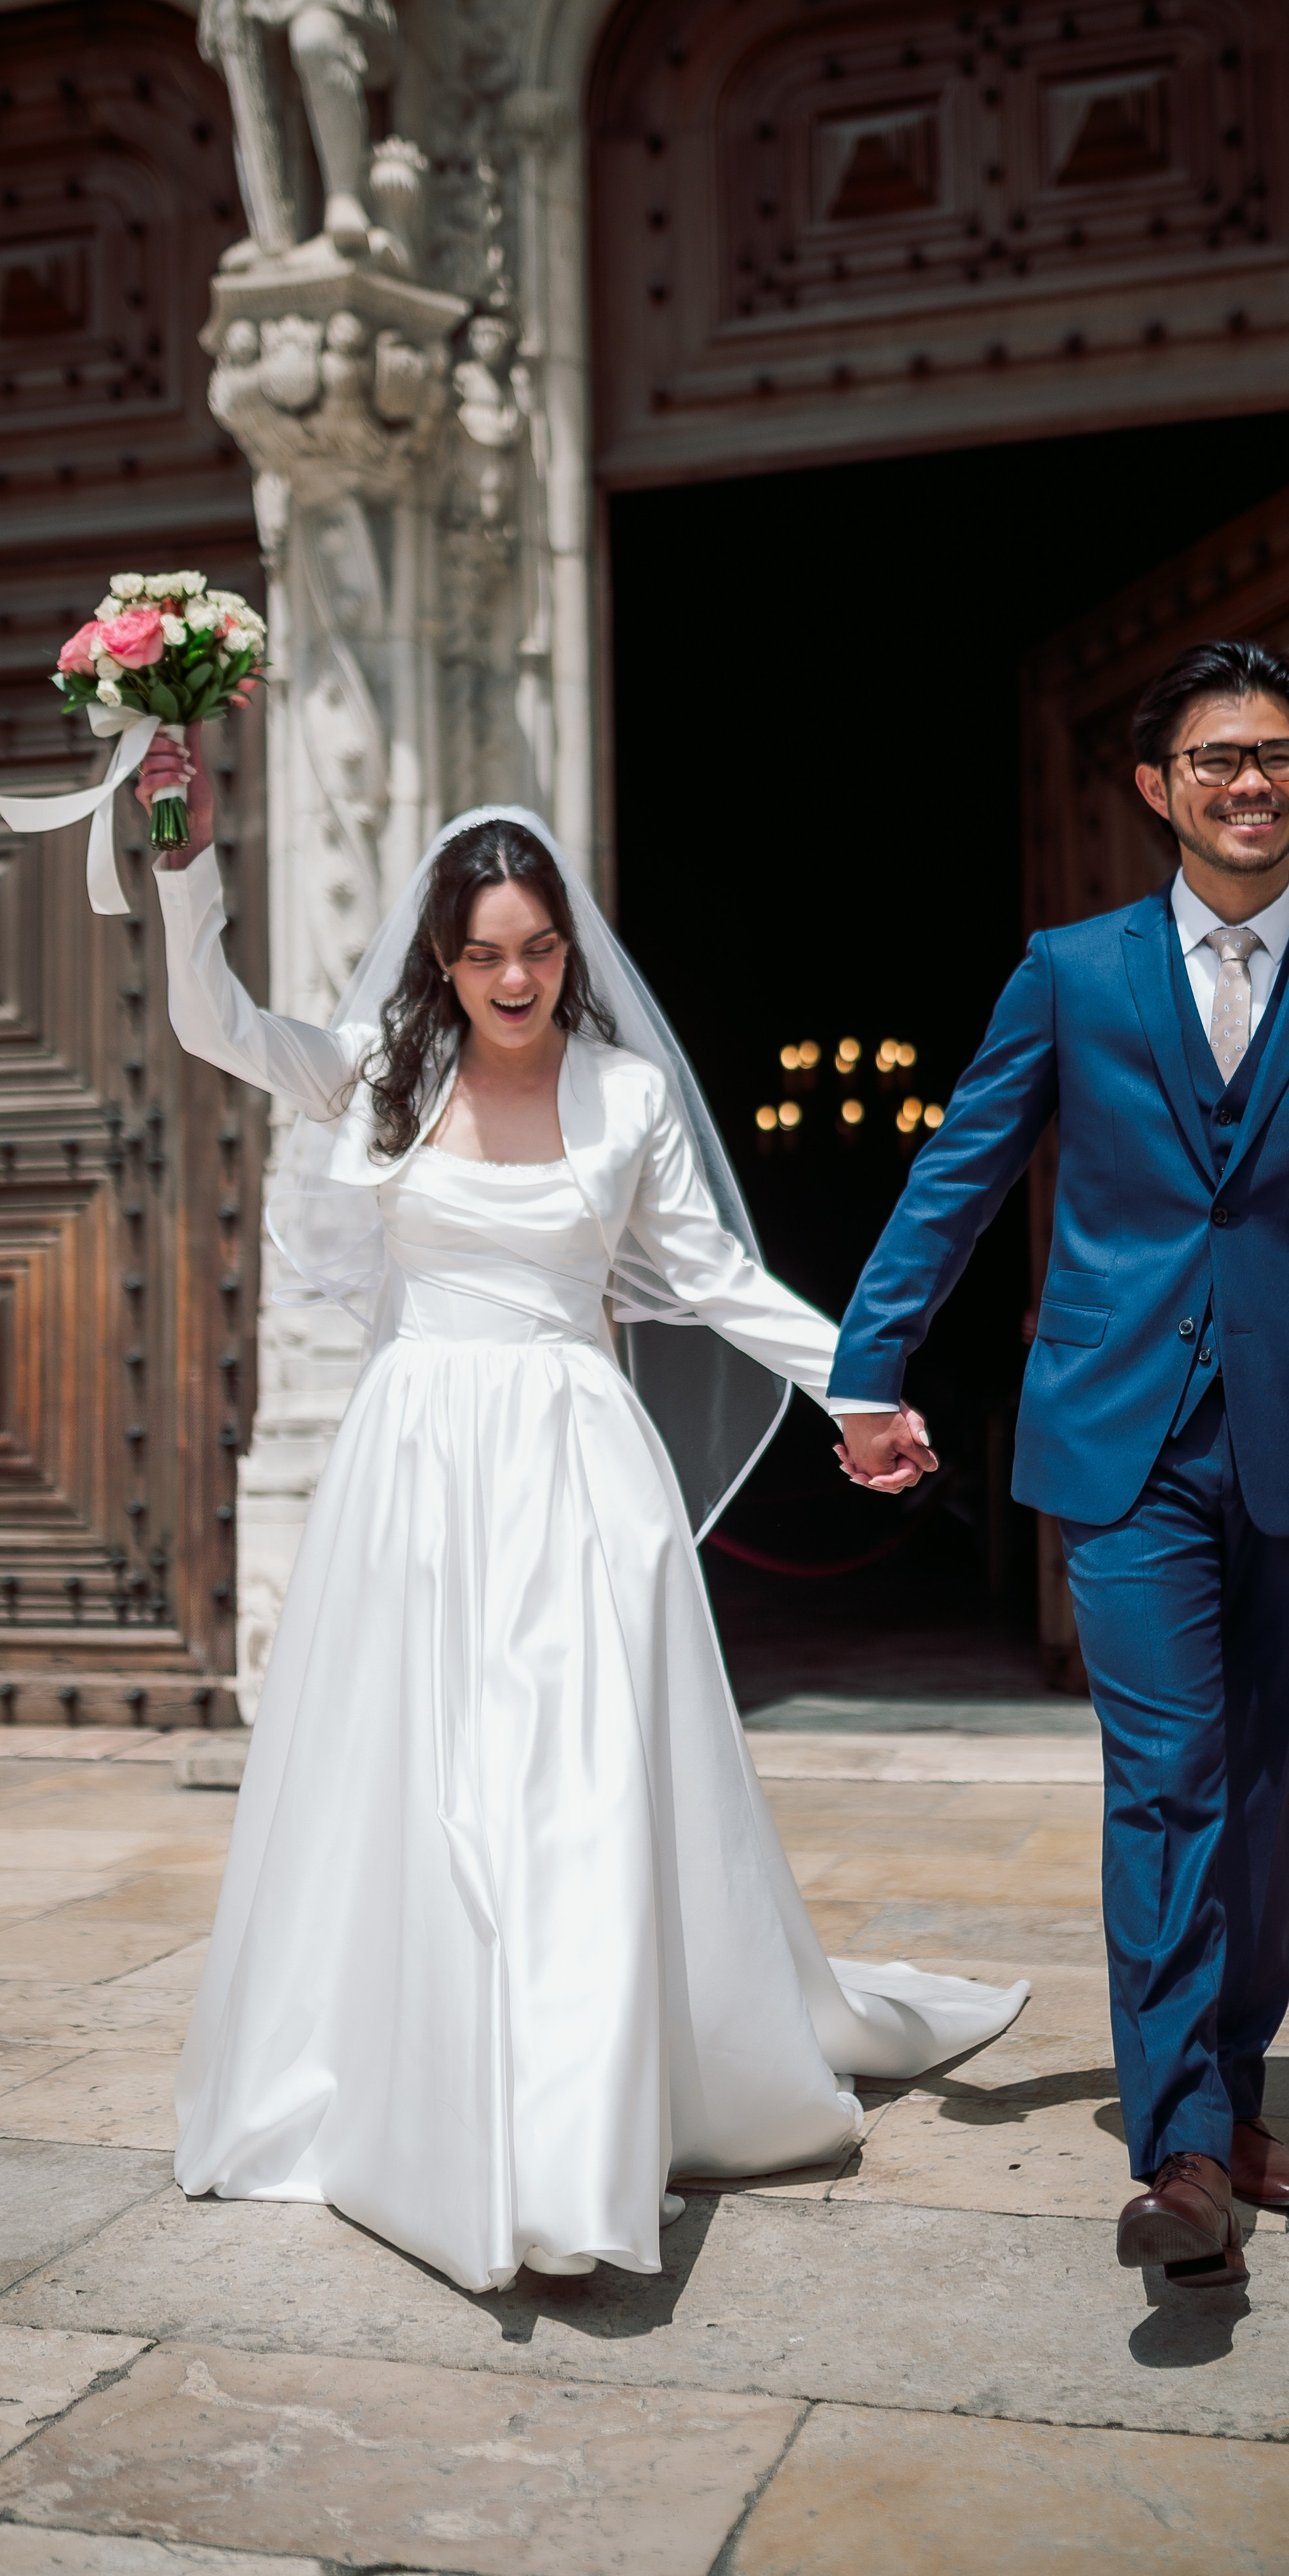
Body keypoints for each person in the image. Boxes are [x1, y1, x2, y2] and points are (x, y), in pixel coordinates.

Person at [133, 734, 1027, 2294]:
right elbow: (212, 1023)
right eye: (484, 953)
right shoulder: (375, 1074)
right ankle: (414, 2081)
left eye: (538, 947)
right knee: (423, 1773)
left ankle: (578, 2122)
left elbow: (710, 1277)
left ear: (567, 948)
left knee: (570, 1774)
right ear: (440, 955)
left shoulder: (623, 1096)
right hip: (415, 1460)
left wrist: (855, 1385)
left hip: (574, 1460)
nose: (516, 976)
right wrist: (181, 851)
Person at [827, 639, 1289, 2284]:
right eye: (1211, 760)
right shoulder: (1070, 970)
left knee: (1264, 1800)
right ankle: (1180, 2146)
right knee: (1168, 1779)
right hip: (1119, 1445)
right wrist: (865, 1367)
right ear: (1153, 788)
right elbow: (960, 1170)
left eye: (1272, 754)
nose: (1245, 782)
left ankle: (1234, 2086)